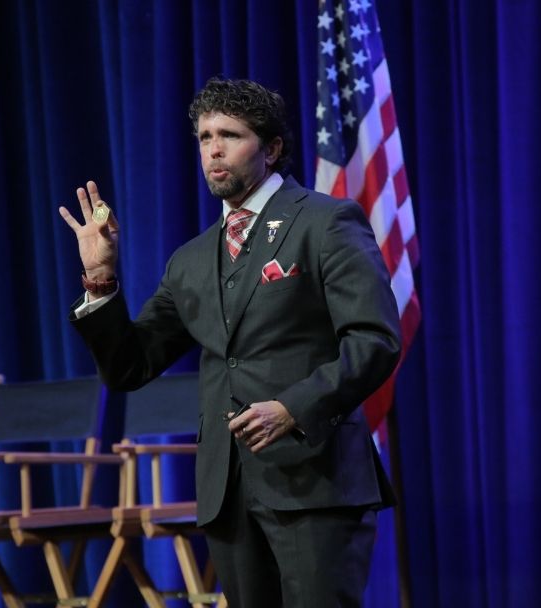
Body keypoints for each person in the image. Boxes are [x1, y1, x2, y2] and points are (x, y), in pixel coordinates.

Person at [59, 77, 401, 607]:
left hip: (315, 483)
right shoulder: (191, 259)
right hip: (229, 492)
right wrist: (100, 280)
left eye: (230, 135)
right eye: (204, 137)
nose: (213, 149)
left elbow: (374, 340)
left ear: (272, 149)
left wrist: (292, 406)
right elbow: (130, 366)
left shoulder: (325, 222)